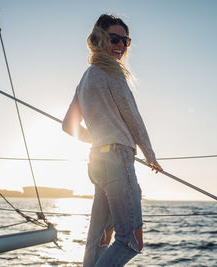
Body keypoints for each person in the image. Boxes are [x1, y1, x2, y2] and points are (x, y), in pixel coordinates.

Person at [62, 14, 162, 267]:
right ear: (99, 39)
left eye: (125, 41)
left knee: (98, 238)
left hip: (97, 162)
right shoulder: (113, 73)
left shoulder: (87, 76)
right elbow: (133, 119)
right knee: (130, 241)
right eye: (114, 39)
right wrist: (150, 156)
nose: (120, 46)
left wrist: (96, 137)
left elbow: (68, 126)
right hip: (117, 160)